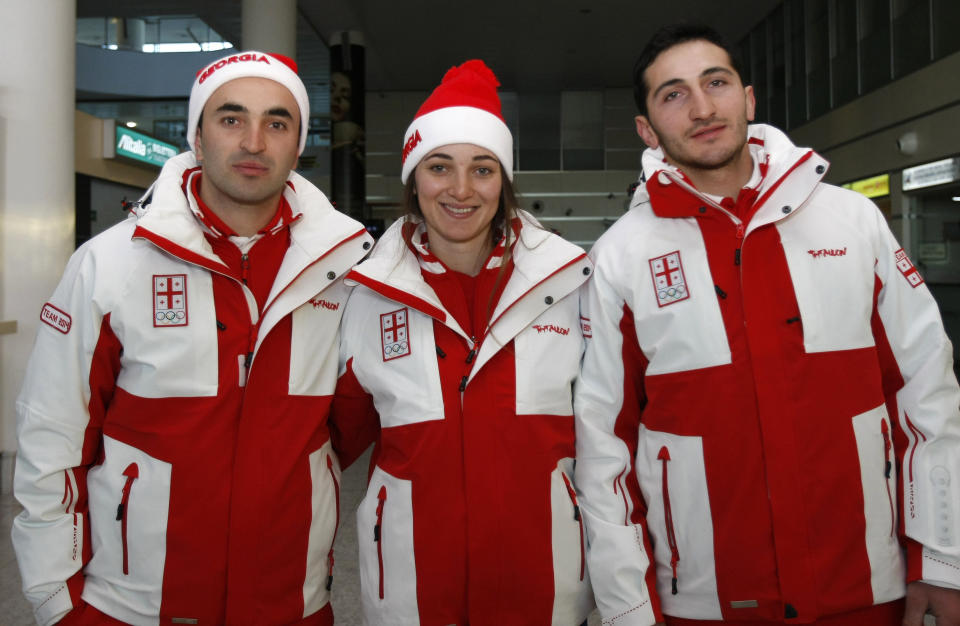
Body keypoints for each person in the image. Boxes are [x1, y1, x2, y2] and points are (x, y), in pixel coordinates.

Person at [574, 23, 960, 626]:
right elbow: (602, 444)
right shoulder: (622, 255)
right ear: (647, 129)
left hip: (862, 585)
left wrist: (940, 558)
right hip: (704, 600)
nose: (702, 107)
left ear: (749, 100)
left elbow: (926, 396)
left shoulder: (852, 221)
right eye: (673, 94)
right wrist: (627, 607)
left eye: (716, 82)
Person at [12, 51, 373, 626]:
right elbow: (53, 432)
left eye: (276, 123)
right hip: (130, 604)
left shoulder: (346, 270)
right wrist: (54, 595)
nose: (254, 141)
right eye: (231, 119)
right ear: (197, 140)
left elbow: (351, 422)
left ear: (298, 144)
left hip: (290, 602)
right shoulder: (110, 263)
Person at [332, 59, 596, 624]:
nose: (460, 189)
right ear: (413, 178)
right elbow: (331, 441)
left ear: (503, 182)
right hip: (409, 587)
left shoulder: (570, 284)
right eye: (439, 167)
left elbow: (607, 439)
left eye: (482, 169)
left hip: (545, 585)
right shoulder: (363, 295)